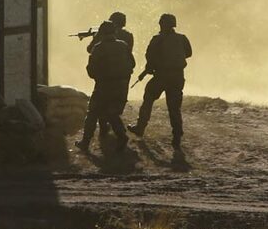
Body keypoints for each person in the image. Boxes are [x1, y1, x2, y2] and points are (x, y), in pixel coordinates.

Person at [128, 13, 193, 150]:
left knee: (148, 98)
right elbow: (188, 53)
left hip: (162, 76)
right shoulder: (182, 38)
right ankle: (177, 135)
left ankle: (140, 127)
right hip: (177, 76)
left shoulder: (157, 39)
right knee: (174, 107)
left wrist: (150, 69)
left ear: (162, 24)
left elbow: (150, 57)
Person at [77, 22, 135, 152]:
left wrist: (98, 76)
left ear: (101, 34)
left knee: (93, 113)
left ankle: (85, 142)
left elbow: (91, 70)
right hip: (120, 86)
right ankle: (122, 136)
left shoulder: (99, 48)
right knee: (112, 113)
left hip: (104, 85)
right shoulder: (123, 45)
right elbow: (132, 63)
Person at [88, 12, 135, 136]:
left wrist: (96, 37)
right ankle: (118, 132)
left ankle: (102, 129)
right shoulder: (128, 37)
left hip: (105, 79)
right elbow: (131, 60)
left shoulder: (100, 43)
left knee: (95, 107)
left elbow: (90, 50)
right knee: (114, 106)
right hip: (122, 77)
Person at [0, 93, 46, 163]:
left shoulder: (4, 113)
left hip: (29, 142)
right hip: (35, 140)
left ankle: (19, 158)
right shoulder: (10, 110)